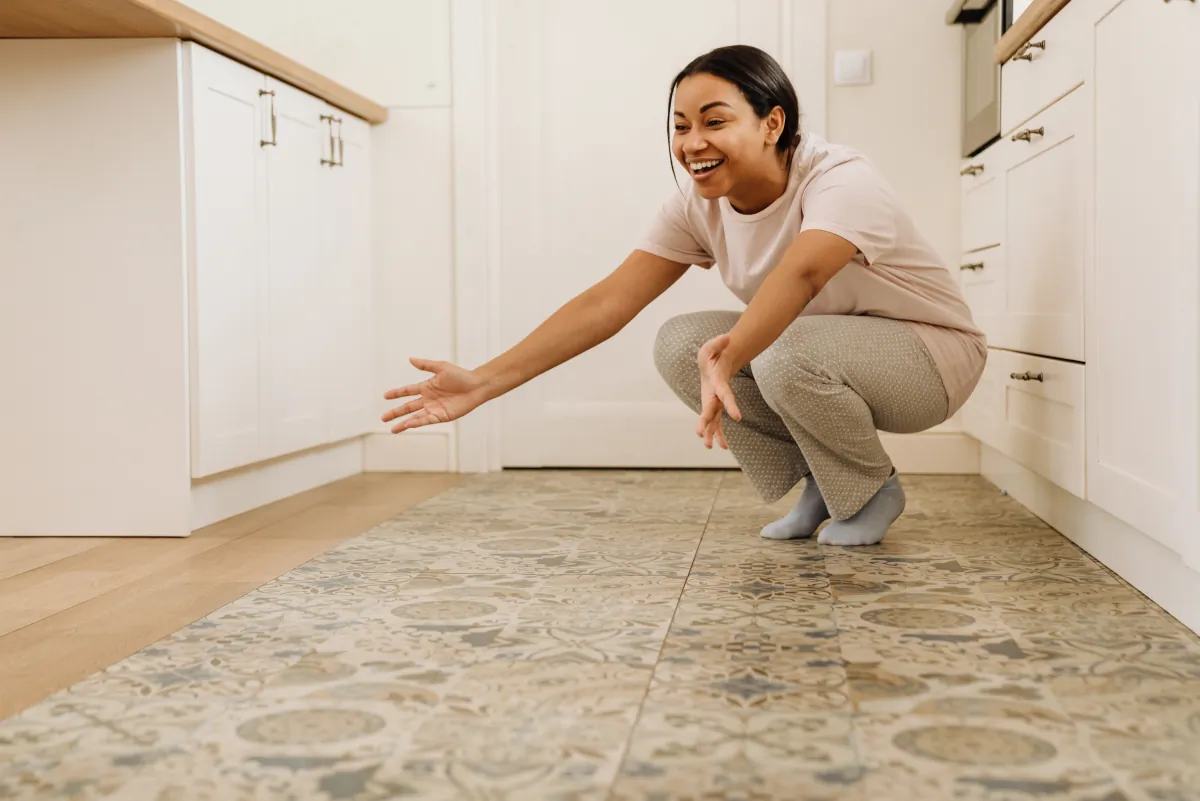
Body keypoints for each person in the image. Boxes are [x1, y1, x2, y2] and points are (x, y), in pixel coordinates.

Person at [381, 45, 987, 547]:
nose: (692, 142)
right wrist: (484, 383)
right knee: (682, 342)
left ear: (772, 123)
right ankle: (826, 485)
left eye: (714, 121)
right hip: (824, 354)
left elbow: (801, 277)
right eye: (681, 126)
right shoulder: (698, 206)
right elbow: (608, 303)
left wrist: (731, 354)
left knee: (774, 350)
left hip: (932, 359)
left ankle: (872, 487)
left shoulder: (841, 178)